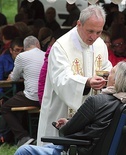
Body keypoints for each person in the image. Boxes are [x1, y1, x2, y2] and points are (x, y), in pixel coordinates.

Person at [15, 61, 126, 155]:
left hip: (80, 150)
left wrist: (66, 125)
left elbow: (66, 131)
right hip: (105, 150)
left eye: (112, 72)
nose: (108, 75)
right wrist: (70, 122)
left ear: (117, 80)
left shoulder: (96, 101)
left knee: (23, 151)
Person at [37, 5, 112, 146]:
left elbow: (105, 66)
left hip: (90, 111)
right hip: (62, 109)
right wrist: (87, 82)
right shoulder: (61, 46)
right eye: (90, 31)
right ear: (79, 24)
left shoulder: (100, 44)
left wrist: (107, 77)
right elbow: (61, 78)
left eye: (98, 32)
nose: (94, 37)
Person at [0, 36, 45, 147]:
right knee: (19, 104)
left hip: (32, 96)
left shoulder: (22, 56)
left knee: (5, 108)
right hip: (45, 96)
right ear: (38, 45)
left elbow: (14, 78)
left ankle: (23, 136)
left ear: (25, 48)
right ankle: (33, 135)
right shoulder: (45, 55)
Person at [0, 37, 24, 106]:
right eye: (17, 50)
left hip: (22, 92)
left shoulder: (26, 59)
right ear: (11, 50)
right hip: (6, 92)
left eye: (22, 51)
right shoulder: (2, 60)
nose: (19, 53)